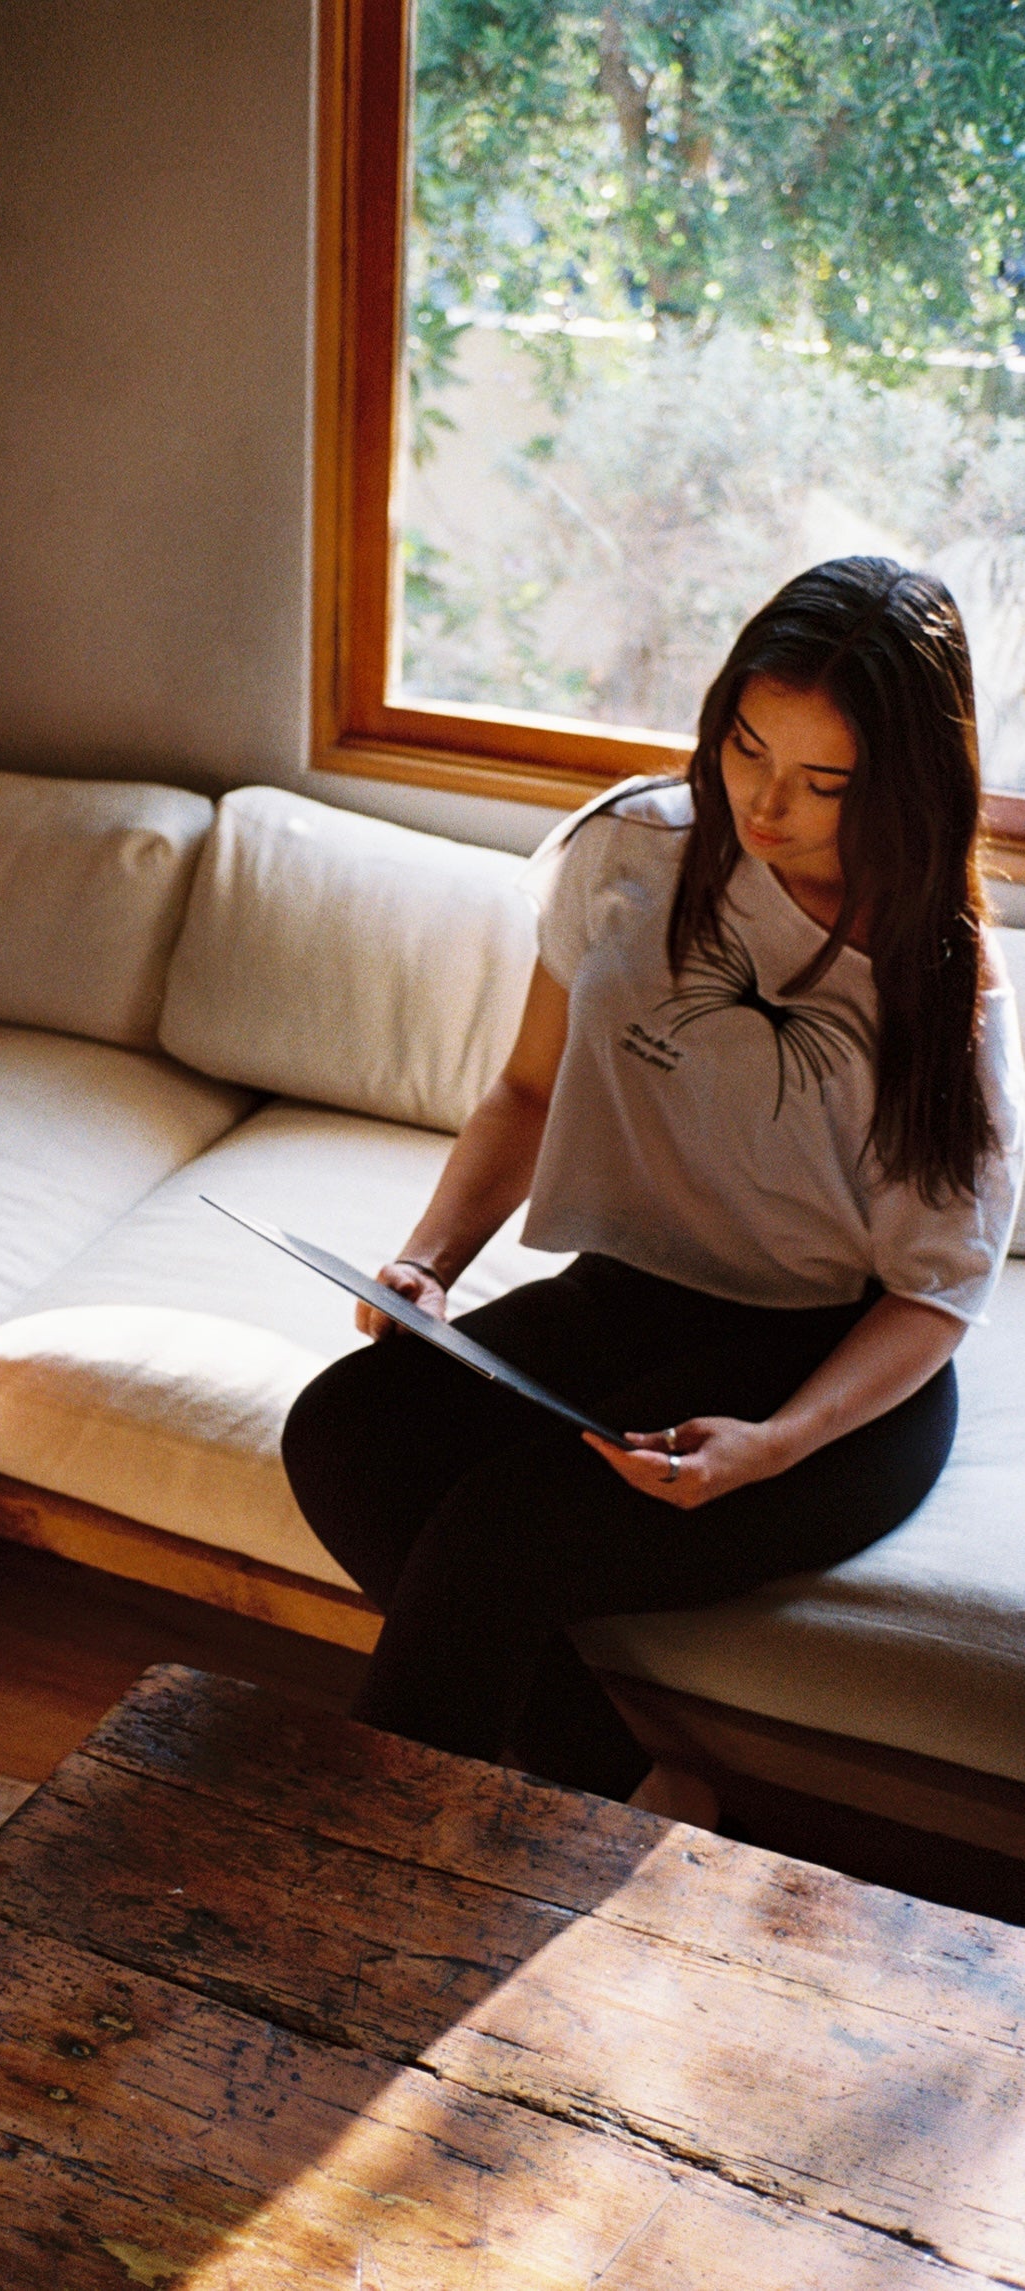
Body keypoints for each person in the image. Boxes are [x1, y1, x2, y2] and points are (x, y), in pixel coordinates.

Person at [282, 558, 1024, 1826]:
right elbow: (523, 1092)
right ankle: (634, 1781)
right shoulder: (631, 850)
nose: (764, 803)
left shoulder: (934, 984)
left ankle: (366, 1857)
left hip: (830, 1367)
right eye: (743, 747)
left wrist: (775, 1443)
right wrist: (429, 1263)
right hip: (630, 1299)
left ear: (897, 787)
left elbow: (934, 1289)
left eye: (821, 782)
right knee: (343, 1430)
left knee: (493, 1534)